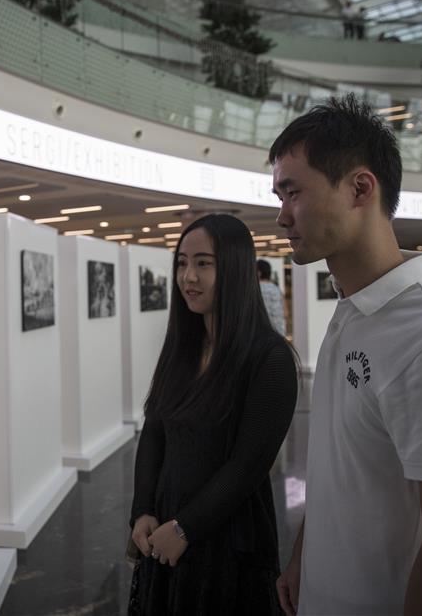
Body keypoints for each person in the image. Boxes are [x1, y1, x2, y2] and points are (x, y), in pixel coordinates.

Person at [269, 94, 422, 616]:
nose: (282, 216)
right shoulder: (350, 312)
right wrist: (306, 555)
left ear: (359, 187)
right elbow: (340, 464)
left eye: (292, 192)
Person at [128, 214, 298, 615]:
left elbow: (248, 466)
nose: (189, 276)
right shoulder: (182, 348)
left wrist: (186, 527)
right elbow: (154, 433)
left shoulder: (269, 358)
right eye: (182, 263)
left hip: (226, 540)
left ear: (236, 269)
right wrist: (142, 511)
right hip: (166, 533)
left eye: (203, 263)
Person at [256, 259, 286, 336]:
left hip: (263, 335)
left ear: (259, 273)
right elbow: (285, 312)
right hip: (279, 333)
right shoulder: (277, 289)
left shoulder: (255, 289)